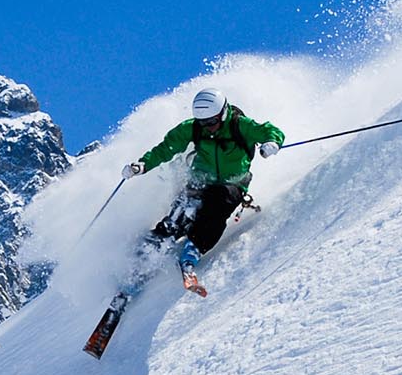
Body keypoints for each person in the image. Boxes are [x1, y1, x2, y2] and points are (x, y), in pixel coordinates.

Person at [120, 87, 285, 295]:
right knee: (174, 221)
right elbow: (166, 148)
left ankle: (194, 248)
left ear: (223, 113)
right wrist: (142, 165)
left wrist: (272, 143)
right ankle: (137, 266)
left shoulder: (239, 125)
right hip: (199, 181)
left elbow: (269, 130)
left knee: (215, 210)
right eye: (203, 122)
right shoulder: (194, 128)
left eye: (212, 122)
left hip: (232, 184)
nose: (209, 128)